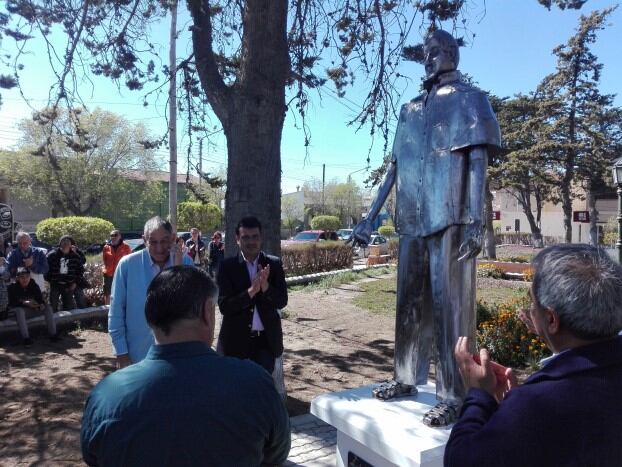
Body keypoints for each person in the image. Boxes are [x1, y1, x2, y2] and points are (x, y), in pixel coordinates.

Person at [351, 29, 500, 426]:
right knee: (408, 304)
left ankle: (454, 393)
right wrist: (370, 216)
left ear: (453, 54)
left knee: (451, 309)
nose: (429, 59)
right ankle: (404, 376)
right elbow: (395, 168)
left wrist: (474, 220)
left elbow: (478, 162)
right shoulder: (410, 109)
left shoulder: (471, 99)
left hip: (450, 217)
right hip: (412, 220)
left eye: (436, 52)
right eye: (426, 54)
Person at [81, 266, 290, 466]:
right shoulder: (254, 383)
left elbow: (93, 457)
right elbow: (277, 453)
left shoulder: (106, 396)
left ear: (149, 318)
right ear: (208, 312)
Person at [445, 244, 622, 466]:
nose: (529, 310)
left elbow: (461, 460)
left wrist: (479, 395)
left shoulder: (536, 404)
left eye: (532, 302)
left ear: (551, 320)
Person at [108, 217, 194, 368]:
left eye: (165, 241)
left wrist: (177, 268)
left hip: (178, 355)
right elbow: (116, 311)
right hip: (138, 356)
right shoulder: (127, 265)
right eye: (153, 242)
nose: (159, 248)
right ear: (144, 240)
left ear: (173, 238)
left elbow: (188, 309)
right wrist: (121, 353)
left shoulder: (186, 263)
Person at [218, 216, 288, 374]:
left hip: (265, 343)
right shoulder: (227, 267)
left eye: (255, 236)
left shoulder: (274, 264)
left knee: (261, 390)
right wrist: (251, 292)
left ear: (261, 237)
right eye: (245, 237)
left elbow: (282, 301)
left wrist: (266, 287)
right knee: (237, 393)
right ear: (237, 239)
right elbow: (225, 306)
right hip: (235, 343)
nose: (251, 242)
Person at [8, 267, 59, 345]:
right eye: (22, 277)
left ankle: (53, 335)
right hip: (16, 314)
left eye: (27, 277)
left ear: (30, 277)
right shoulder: (12, 287)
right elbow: (11, 303)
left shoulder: (33, 284)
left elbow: (40, 299)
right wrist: (24, 303)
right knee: (19, 310)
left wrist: (41, 304)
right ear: (17, 278)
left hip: (31, 310)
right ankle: (26, 338)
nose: (25, 279)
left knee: (48, 307)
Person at [45, 235, 88, 312]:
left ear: (71, 244)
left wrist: (75, 282)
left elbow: (80, 270)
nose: (65, 243)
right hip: (55, 284)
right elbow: (46, 268)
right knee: (53, 305)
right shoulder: (52, 255)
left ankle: (68, 323)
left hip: (69, 285)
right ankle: (53, 323)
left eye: (68, 242)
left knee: (68, 307)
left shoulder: (76, 256)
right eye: (63, 241)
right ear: (60, 243)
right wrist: (50, 279)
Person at [101, 230, 131, 305]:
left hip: (120, 274)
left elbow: (129, 260)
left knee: (120, 293)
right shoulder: (106, 247)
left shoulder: (126, 247)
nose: (113, 237)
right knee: (107, 293)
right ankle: (107, 311)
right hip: (108, 274)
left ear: (120, 236)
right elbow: (105, 259)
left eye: (115, 235)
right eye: (112, 235)